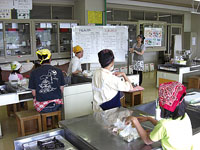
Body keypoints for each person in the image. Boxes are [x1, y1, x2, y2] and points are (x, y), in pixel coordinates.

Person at [125, 82, 193, 150]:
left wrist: (135, 120)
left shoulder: (164, 125)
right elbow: (168, 129)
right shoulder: (185, 117)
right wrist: (149, 119)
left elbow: (147, 140)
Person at [29, 49, 65, 125]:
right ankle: (52, 120)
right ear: (50, 59)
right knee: (53, 101)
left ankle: (47, 122)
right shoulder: (58, 71)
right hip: (57, 105)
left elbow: (34, 93)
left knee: (40, 100)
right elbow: (61, 90)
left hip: (43, 107)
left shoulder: (33, 73)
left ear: (39, 60)